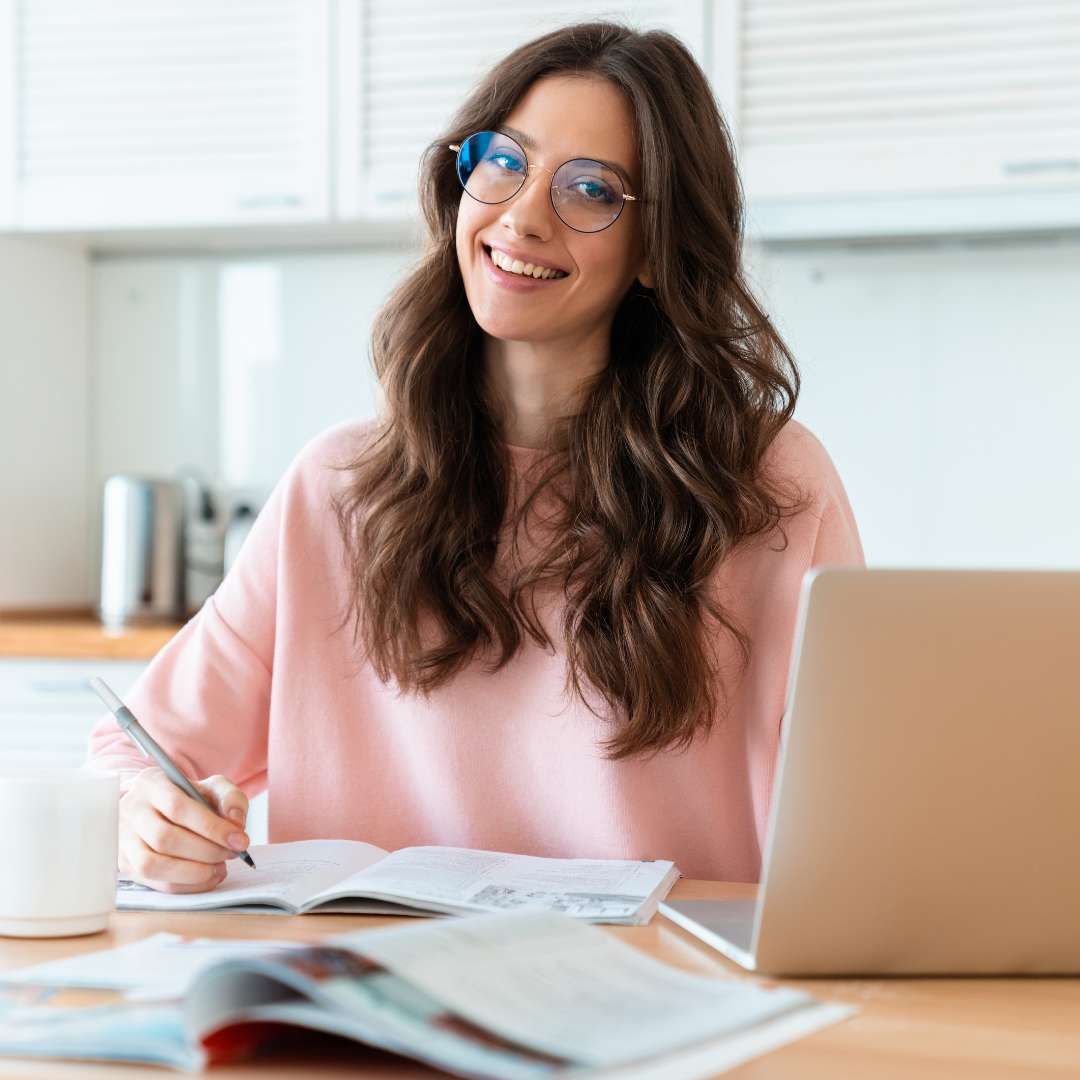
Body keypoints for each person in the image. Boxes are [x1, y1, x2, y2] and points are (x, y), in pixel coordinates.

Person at [86, 20, 863, 893]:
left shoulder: (771, 487)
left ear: (655, 248)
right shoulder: (339, 489)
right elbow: (133, 751)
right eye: (506, 161)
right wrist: (141, 814)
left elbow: (861, 812)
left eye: (592, 189)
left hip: (660, 998)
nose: (524, 215)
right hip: (381, 999)